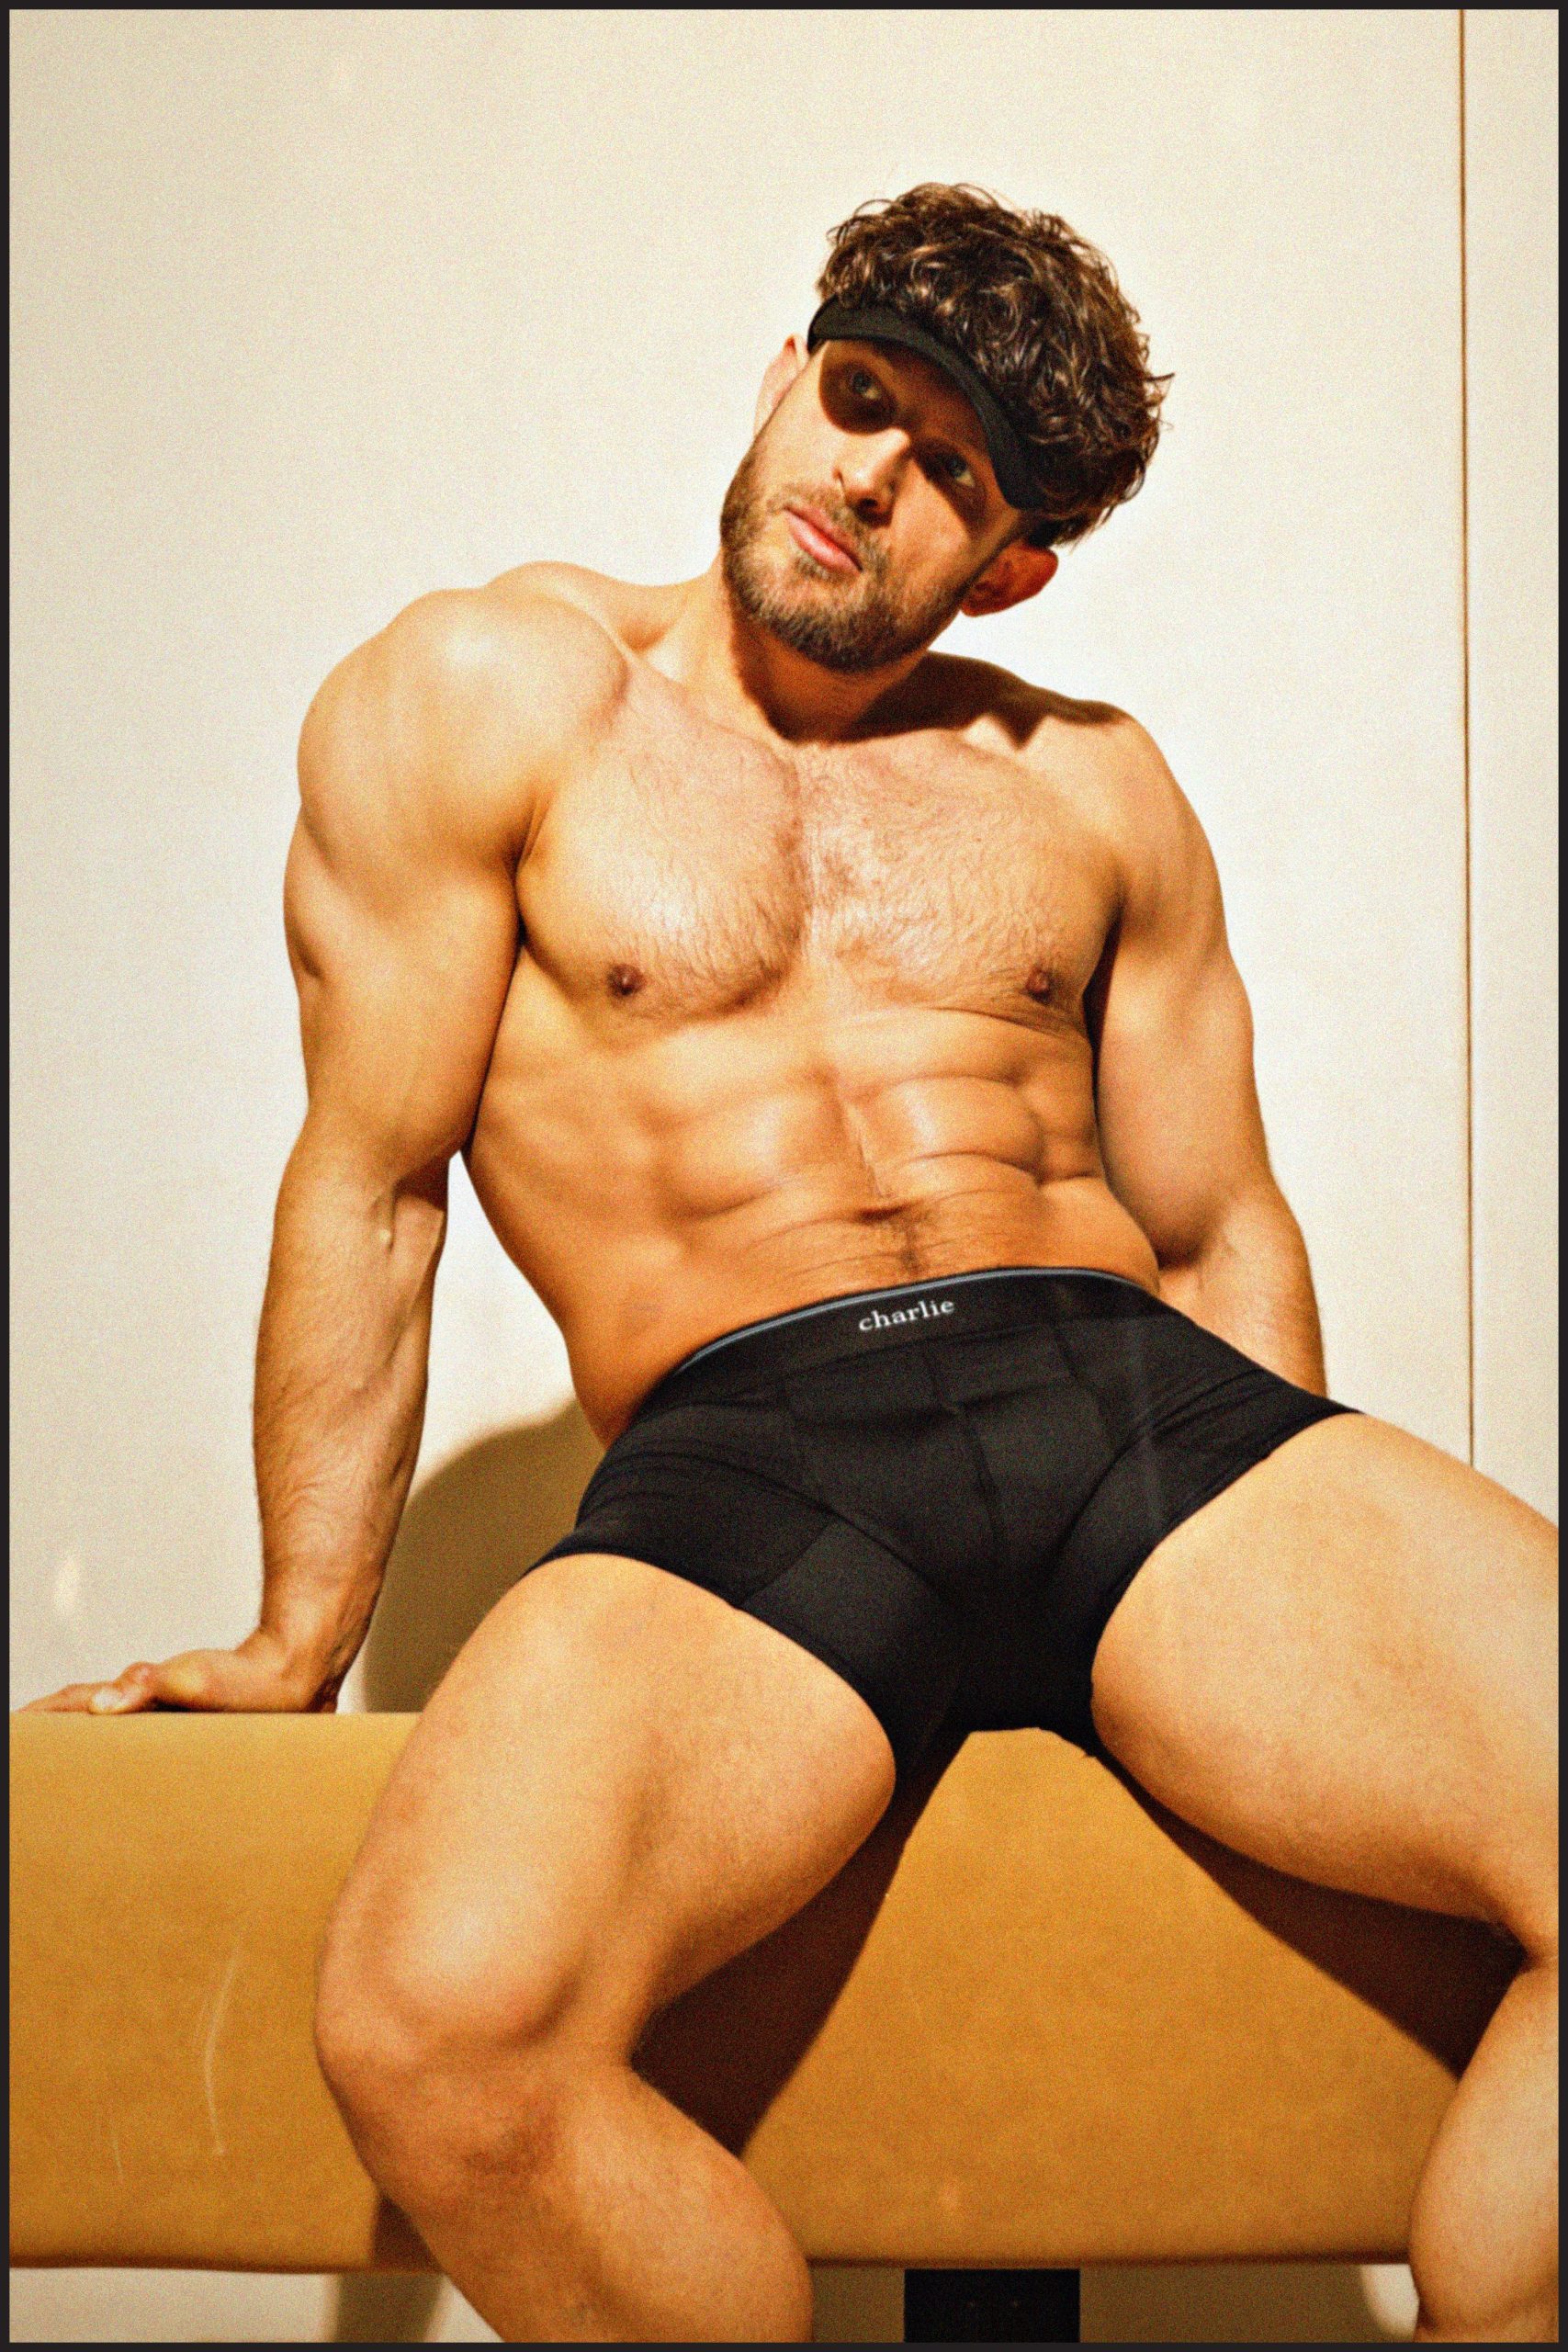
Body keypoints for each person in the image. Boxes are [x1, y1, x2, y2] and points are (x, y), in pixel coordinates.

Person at [28, 184, 1556, 2344]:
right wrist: (300, 1633)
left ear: (1007, 561)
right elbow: (374, 1183)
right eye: (855, 400)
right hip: (759, 1453)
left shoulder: (1090, 782)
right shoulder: (486, 694)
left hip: (1122, 1401)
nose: (868, 477)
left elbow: (1218, 1226)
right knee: (434, 2022)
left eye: (949, 473)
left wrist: (1266, 1632)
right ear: (780, 373)